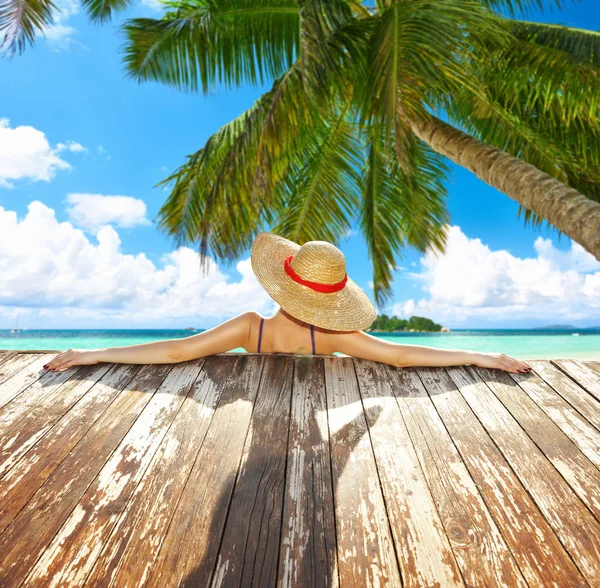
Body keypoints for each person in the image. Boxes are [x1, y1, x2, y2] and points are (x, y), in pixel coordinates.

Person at [42, 232, 532, 374]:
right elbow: (403, 356)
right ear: (332, 298)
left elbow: (176, 351)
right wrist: (477, 355)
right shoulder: (335, 337)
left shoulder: (250, 329)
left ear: (280, 283)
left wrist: (93, 353)